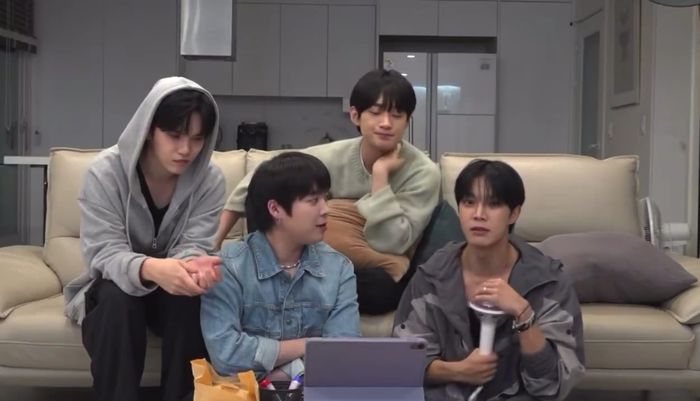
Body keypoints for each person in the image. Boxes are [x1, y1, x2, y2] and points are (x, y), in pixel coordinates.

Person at [215, 69, 441, 314]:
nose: (386, 123)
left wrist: (381, 177)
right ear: (355, 115)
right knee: (270, 192)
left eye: (397, 115)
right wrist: (213, 246)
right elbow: (258, 181)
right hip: (313, 258)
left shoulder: (423, 173)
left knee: (382, 289)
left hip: (368, 269)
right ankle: (282, 283)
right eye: (375, 113)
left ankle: (281, 289)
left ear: (407, 121)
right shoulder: (335, 155)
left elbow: (391, 243)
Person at [63, 77, 226, 401]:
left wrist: (193, 268)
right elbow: (103, 253)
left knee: (190, 300)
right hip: (114, 285)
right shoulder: (105, 173)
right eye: (175, 135)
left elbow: (195, 244)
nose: (186, 150)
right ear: (150, 128)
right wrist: (152, 268)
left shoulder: (210, 179)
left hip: (172, 289)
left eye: (197, 139)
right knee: (117, 302)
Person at [393, 160, 585, 401]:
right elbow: (403, 365)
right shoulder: (432, 275)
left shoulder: (548, 282)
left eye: (493, 204)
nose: (478, 215)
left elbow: (551, 385)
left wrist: (524, 315)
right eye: (469, 202)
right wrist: (459, 371)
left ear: (514, 213)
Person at [201, 152, 360, 380]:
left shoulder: (339, 268)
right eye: (313, 200)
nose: (326, 209)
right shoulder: (229, 266)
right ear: (275, 209)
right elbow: (226, 355)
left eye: (325, 198)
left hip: (313, 391)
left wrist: (280, 373)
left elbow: (343, 353)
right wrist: (309, 345)